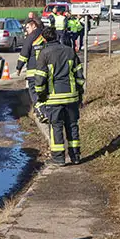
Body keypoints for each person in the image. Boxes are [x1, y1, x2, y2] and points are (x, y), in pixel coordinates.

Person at [34, 27, 85, 165]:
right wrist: (80, 94)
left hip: (54, 98)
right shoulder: (69, 51)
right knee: (72, 126)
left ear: (44, 39)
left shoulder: (44, 54)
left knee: (56, 127)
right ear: (57, 36)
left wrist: (41, 96)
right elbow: (79, 76)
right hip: (72, 97)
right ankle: (76, 157)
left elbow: (40, 80)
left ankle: (59, 159)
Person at [15, 20, 48, 123]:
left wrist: (19, 67)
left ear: (33, 26)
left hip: (33, 72)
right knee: (43, 92)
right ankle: (45, 111)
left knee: (34, 93)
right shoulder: (45, 35)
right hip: (46, 71)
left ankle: (42, 112)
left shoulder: (31, 37)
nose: (27, 30)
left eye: (27, 28)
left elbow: (24, 53)